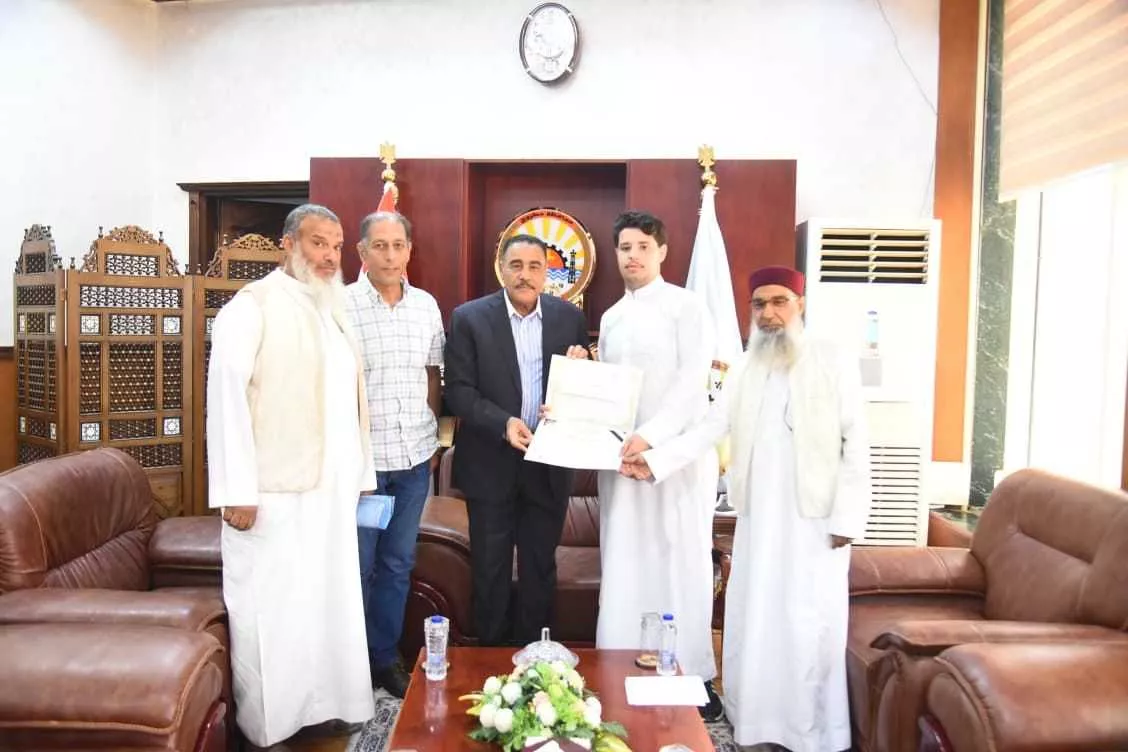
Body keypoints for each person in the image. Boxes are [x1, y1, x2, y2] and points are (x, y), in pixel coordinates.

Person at [625, 265, 872, 751]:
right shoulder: (744, 367)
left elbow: (857, 441)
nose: (769, 313)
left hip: (816, 522)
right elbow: (709, 427)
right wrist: (653, 460)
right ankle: (757, 724)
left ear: (800, 305)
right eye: (759, 304)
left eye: (779, 302)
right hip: (759, 521)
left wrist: (848, 517)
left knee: (808, 624)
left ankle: (812, 734)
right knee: (757, 620)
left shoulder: (833, 359)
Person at [207, 203, 375, 748]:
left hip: (331, 492)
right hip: (272, 492)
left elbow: (352, 401)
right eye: (317, 243)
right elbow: (226, 399)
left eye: (336, 245)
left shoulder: (334, 309)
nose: (329, 256)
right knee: (273, 609)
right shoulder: (251, 306)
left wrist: (362, 474)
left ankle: (329, 706)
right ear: (288, 244)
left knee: (327, 603)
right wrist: (236, 490)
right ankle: (268, 726)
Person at [595, 209, 723, 721]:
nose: (633, 256)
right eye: (625, 248)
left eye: (643, 247)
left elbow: (693, 383)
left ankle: (693, 676)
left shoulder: (687, 307)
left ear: (662, 252)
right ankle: (619, 670)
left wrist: (651, 440)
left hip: (675, 463)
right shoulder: (611, 317)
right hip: (623, 465)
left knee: (680, 564)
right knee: (625, 564)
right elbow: (611, 392)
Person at [443, 234, 589, 646]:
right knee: (489, 569)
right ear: (502, 269)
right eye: (516, 265)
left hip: (548, 464)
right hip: (490, 463)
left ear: (547, 273)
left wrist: (584, 366)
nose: (525, 275)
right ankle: (489, 663)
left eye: (535, 266)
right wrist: (503, 422)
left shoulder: (569, 318)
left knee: (540, 569)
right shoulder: (469, 318)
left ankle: (536, 659)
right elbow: (459, 392)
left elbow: (582, 387)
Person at [345, 211, 445, 698]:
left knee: (398, 564)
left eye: (398, 245)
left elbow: (433, 374)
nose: (390, 255)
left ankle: (384, 658)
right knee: (358, 567)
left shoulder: (426, 306)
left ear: (409, 250)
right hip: (364, 467)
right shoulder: (341, 306)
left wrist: (436, 439)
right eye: (380, 246)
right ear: (362, 252)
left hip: (413, 461)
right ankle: (351, 665)